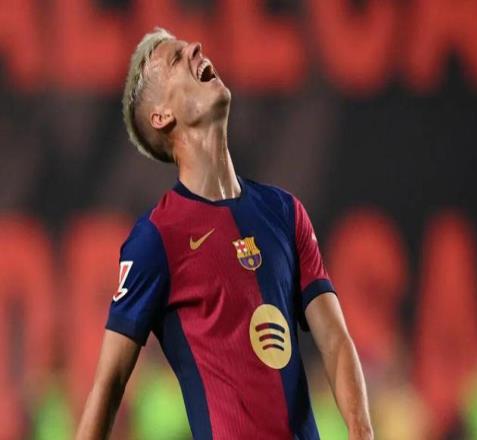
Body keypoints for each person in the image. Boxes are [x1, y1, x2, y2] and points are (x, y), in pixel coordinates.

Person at [76, 27, 373, 440]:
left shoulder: (286, 213)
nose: (197, 48)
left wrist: (362, 431)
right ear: (162, 116)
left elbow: (335, 340)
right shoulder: (156, 238)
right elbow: (109, 383)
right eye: (176, 58)